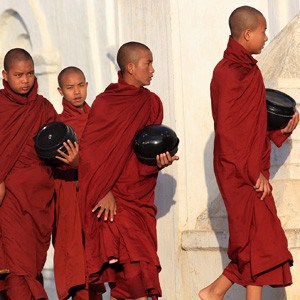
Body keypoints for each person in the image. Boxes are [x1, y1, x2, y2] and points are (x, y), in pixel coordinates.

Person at [199, 6, 299, 300]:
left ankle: (213, 292)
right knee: (257, 241)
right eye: (263, 31)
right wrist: (251, 172)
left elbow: (254, 124)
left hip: (251, 168)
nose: (266, 37)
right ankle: (213, 291)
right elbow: (229, 132)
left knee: (259, 243)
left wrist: (284, 129)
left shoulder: (249, 70)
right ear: (247, 34)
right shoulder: (228, 73)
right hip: (238, 171)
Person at [78, 41, 179, 300]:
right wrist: (103, 190)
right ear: (131, 68)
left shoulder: (152, 102)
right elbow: (91, 153)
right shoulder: (105, 103)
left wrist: (158, 162)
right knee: (135, 273)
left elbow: (143, 152)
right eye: (149, 63)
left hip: (139, 196)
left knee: (130, 279)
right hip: (112, 200)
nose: (153, 69)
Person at [0, 48, 58, 299]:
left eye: (30, 74)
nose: (25, 80)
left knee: (32, 266)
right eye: (18, 75)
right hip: (9, 198)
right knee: (17, 270)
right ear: (5, 75)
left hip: (39, 200)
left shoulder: (43, 108)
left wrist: (73, 159)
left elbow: (59, 147)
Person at [52, 66, 105, 300]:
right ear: (60, 91)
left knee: (96, 263)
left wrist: (80, 164)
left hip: (97, 199)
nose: (77, 92)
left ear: (87, 86)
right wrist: (74, 165)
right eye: (70, 87)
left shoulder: (100, 121)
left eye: (80, 85)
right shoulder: (57, 126)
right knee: (76, 260)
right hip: (70, 200)